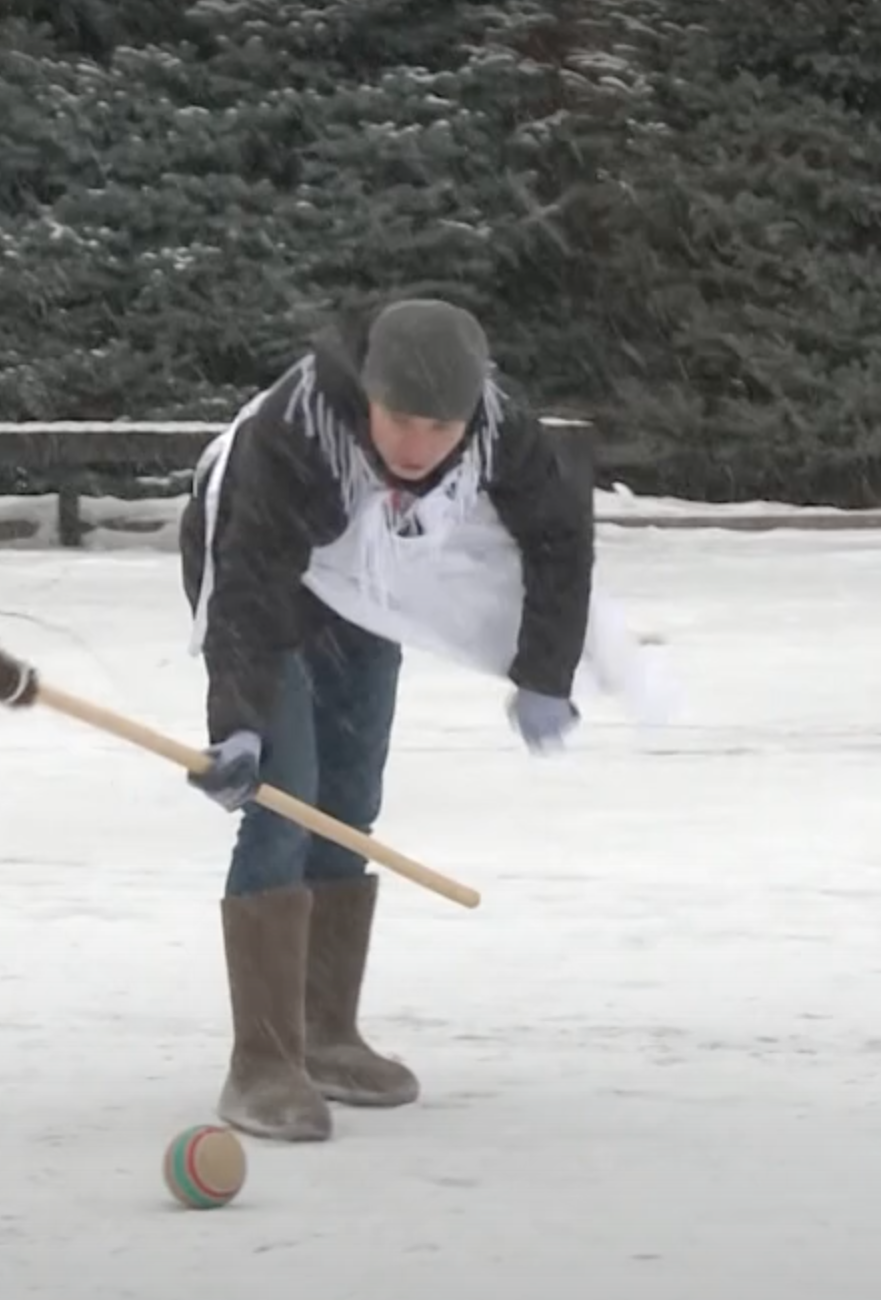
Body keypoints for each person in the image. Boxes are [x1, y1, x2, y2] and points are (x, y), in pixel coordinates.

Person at [176, 296, 600, 1142]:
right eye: (400, 421)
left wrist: (544, 671)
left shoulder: (498, 424)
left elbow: (558, 535)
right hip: (264, 580)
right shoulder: (291, 431)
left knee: (350, 798)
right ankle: (261, 1062)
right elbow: (247, 586)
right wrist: (240, 722)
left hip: (371, 585)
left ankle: (328, 1036)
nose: (417, 447)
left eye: (438, 430)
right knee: (282, 795)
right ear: (367, 392)